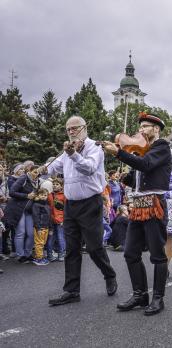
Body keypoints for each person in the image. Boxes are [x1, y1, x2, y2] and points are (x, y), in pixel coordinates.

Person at [43, 115, 117, 306]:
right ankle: (71, 290)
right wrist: (42, 169)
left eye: (74, 128)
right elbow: (53, 167)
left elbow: (89, 168)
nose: (71, 131)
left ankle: (109, 274)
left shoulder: (95, 147)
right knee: (72, 249)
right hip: (71, 205)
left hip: (90, 203)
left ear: (84, 128)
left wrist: (73, 155)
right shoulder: (67, 151)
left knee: (94, 247)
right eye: (68, 129)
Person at [102, 112, 171, 315]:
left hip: (154, 205)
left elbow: (146, 165)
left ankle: (158, 298)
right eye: (140, 127)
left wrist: (119, 153)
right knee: (131, 252)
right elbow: (138, 178)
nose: (141, 130)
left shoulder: (161, 147)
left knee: (158, 255)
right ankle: (140, 295)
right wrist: (126, 178)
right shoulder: (142, 151)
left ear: (156, 129)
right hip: (138, 206)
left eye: (145, 126)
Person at [4, 165, 41, 264]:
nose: (36, 174)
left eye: (38, 173)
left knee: (31, 233)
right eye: (34, 172)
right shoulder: (23, 178)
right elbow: (12, 192)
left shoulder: (38, 181)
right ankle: (20, 255)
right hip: (18, 209)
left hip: (29, 210)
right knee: (21, 232)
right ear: (29, 171)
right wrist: (26, 195)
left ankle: (27, 254)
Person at [47, 178, 66, 262]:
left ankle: (61, 254)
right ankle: (50, 255)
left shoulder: (64, 196)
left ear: (61, 186)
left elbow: (67, 209)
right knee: (51, 238)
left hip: (60, 220)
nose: (54, 185)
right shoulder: (49, 195)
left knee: (60, 237)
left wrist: (64, 220)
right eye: (53, 184)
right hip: (51, 220)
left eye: (57, 184)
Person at [31, 188, 51, 266]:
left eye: (45, 195)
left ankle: (39, 256)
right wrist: (38, 228)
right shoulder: (36, 205)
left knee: (42, 243)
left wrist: (51, 228)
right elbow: (35, 217)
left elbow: (49, 217)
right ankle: (39, 259)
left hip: (46, 227)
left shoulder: (47, 205)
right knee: (39, 243)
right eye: (41, 195)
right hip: (40, 227)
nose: (43, 196)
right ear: (38, 195)